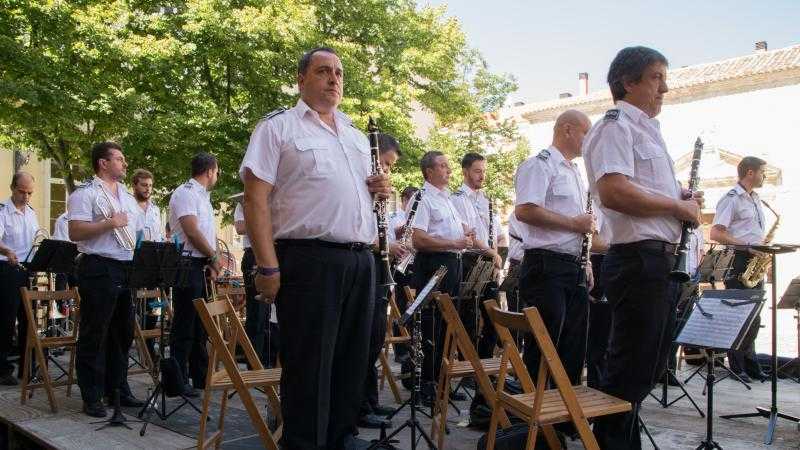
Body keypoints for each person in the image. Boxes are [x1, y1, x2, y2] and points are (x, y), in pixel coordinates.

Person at [240, 47, 391, 449]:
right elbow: (255, 199)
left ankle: (341, 439)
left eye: (339, 73)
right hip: (309, 259)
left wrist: (382, 191)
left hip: (361, 260)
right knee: (309, 369)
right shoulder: (278, 128)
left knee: (352, 364)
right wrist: (267, 267)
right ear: (302, 78)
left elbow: (365, 198)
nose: (334, 79)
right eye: (324, 71)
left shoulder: (357, 137)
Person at [583, 46, 702, 449]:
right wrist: (677, 205)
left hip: (656, 261)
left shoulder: (648, 130)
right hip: (638, 261)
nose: (665, 87)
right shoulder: (616, 126)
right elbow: (614, 192)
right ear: (628, 82)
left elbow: (643, 189)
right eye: (656, 77)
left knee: (648, 367)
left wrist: (679, 195)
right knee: (629, 369)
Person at [513, 109, 593, 386]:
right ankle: (535, 419)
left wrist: (588, 262)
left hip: (573, 266)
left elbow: (581, 225)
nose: (589, 139)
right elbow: (525, 211)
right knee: (543, 347)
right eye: (586, 132)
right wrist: (574, 224)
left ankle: (563, 417)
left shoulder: (575, 172)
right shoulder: (539, 164)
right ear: (567, 130)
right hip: (546, 265)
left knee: (573, 347)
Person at [68, 142, 144, 417]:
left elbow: (135, 230)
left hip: (124, 267)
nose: (125, 164)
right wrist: (108, 223)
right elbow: (75, 231)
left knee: (122, 333)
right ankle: (92, 395)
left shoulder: (125, 196)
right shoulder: (85, 193)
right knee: (95, 332)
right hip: (98, 267)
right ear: (103, 163)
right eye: (119, 159)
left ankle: (118, 390)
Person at [410, 150, 476, 402]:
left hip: (452, 262)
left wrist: (467, 233)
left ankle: (441, 382)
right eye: (443, 166)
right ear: (429, 171)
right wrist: (455, 241)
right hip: (434, 263)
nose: (449, 170)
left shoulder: (446, 198)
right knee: (432, 325)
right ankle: (427, 383)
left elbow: (460, 229)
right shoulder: (423, 197)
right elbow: (418, 238)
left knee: (448, 324)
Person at [359, 133, 406, 429]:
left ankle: (370, 402)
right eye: (385, 165)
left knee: (375, 340)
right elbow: (362, 234)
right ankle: (361, 407)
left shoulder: (377, 193)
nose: (387, 173)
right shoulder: (360, 186)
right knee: (364, 341)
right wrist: (384, 245)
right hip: (369, 266)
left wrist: (391, 240)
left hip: (378, 268)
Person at [710, 156, 770, 382]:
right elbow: (716, 233)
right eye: (763, 171)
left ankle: (751, 364)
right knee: (739, 313)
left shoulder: (755, 199)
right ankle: (736, 366)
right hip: (738, 260)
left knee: (754, 315)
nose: (765, 176)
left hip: (755, 260)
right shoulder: (732, 198)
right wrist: (747, 246)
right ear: (750, 172)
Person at [168, 152, 220, 396]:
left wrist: (211, 260)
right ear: (210, 170)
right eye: (217, 171)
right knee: (185, 325)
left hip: (200, 265)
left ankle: (199, 376)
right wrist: (214, 256)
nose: (217, 176)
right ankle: (177, 380)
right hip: (186, 264)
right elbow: (192, 231)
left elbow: (207, 232)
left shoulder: (203, 196)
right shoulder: (186, 193)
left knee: (200, 327)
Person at [450, 152, 503, 360]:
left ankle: (486, 364)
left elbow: (498, 235)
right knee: (469, 316)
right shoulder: (458, 199)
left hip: (490, 261)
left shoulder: (486, 200)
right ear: (465, 172)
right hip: (471, 260)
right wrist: (491, 252)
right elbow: (468, 233)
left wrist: (496, 256)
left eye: (484, 171)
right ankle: (469, 368)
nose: (482, 176)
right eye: (477, 171)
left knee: (494, 316)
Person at [0, 172, 38, 386]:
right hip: (7, 268)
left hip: (28, 269)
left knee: (29, 319)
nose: (26, 197)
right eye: (22, 192)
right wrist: (7, 251)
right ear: (12, 188)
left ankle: (27, 367)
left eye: (29, 193)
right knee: (5, 319)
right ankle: (3, 368)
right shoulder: (3, 211)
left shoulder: (31, 213)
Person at [235, 199, 278, 368]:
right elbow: (240, 228)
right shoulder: (243, 202)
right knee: (257, 310)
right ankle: (255, 361)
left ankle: (270, 358)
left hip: (274, 251)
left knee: (273, 312)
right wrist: (264, 219)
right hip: (254, 253)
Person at [132, 169, 163, 242]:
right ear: (134, 186)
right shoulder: (126, 206)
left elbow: (158, 235)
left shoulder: (155, 209)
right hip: (132, 251)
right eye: (144, 185)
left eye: (150, 185)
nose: (148, 189)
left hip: (153, 252)